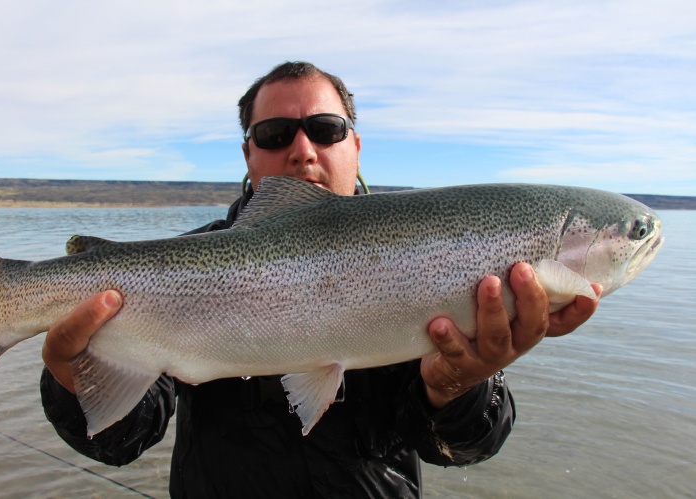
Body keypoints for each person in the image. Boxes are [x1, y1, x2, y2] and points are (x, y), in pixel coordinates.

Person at [41, 61, 600, 498]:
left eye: (326, 129)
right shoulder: (182, 265)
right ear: (248, 152)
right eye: (276, 132)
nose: (302, 150)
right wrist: (73, 379)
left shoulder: (433, 254)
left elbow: (465, 446)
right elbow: (122, 439)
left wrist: (458, 383)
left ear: (355, 146)